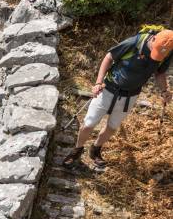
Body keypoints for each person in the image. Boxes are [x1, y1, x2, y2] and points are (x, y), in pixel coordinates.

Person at [63, 27, 172, 170]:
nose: (155, 55)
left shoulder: (167, 52)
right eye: (154, 51)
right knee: (89, 123)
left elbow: (159, 73)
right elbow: (109, 57)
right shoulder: (134, 43)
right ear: (153, 39)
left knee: (112, 127)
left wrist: (165, 91)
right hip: (108, 88)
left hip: (130, 96)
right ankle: (77, 150)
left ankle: (95, 149)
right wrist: (98, 82)